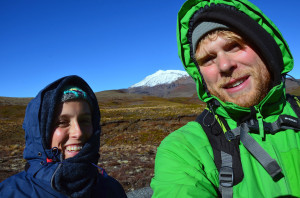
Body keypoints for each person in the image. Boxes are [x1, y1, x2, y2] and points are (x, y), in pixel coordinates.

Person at [151, 0, 300, 197]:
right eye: (207, 59)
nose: (224, 65)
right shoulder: (183, 150)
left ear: (266, 48)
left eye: (234, 46)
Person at [0, 75, 127, 198]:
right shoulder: (9, 193)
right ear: (41, 131)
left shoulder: (112, 189)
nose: (78, 132)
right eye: (62, 122)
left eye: (84, 121)